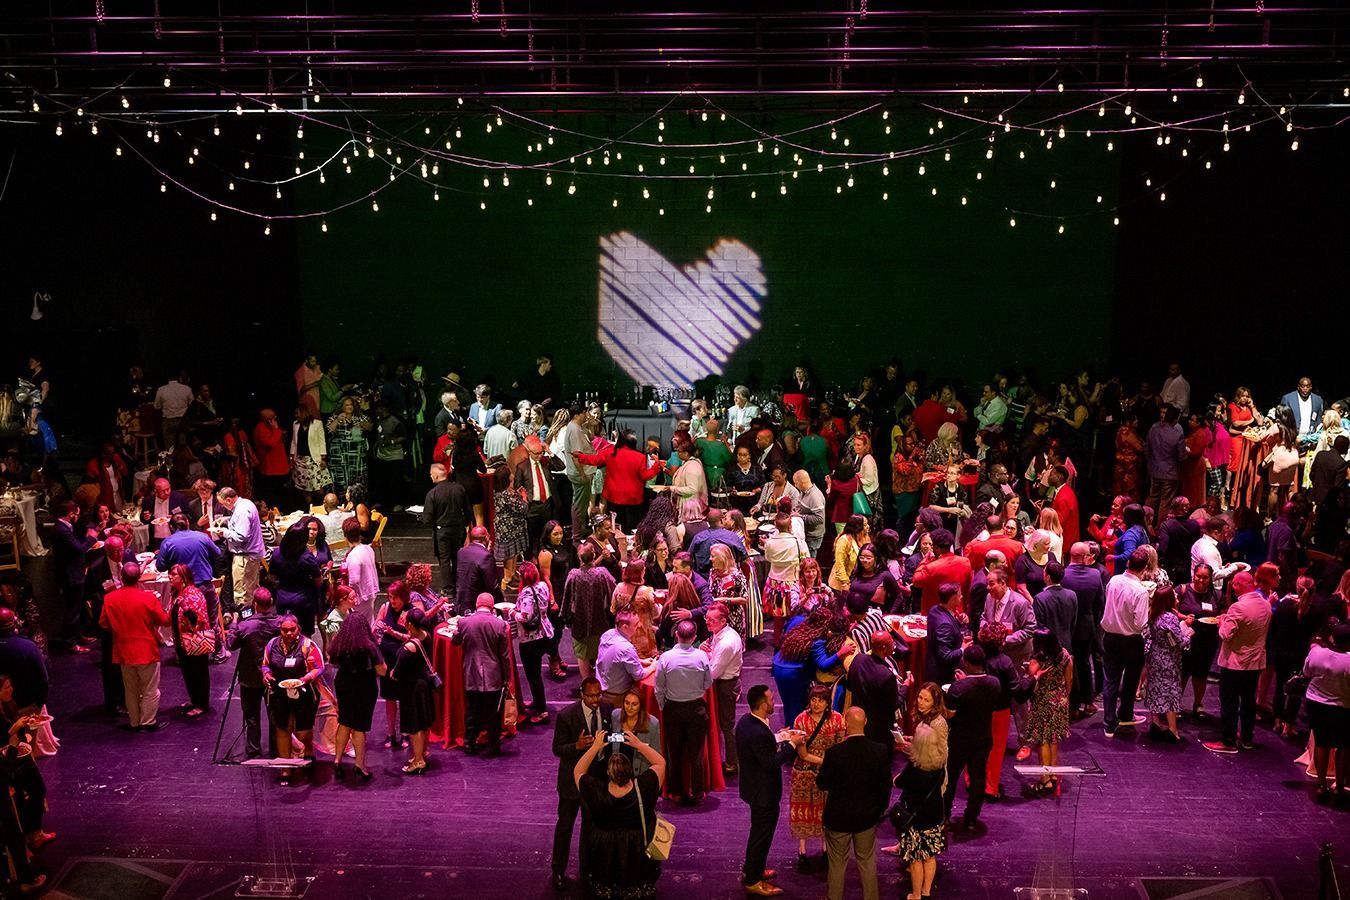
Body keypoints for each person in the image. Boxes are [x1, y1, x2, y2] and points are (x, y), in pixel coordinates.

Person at [572, 712, 666, 899]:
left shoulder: (596, 791)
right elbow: (660, 762)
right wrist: (639, 745)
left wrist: (596, 747)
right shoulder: (644, 787)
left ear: (608, 773)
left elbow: (578, 771)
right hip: (636, 847)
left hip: (605, 850)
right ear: (631, 771)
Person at [735, 684, 808, 896]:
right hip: (763, 794)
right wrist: (791, 745)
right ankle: (753, 880)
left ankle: (753, 870)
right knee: (761, 836)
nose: (773, 700)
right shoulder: (757, 732)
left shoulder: (747, 722)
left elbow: (761, 747)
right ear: (762, 704)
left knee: (758, 834)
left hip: (754, 788)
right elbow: (770, 762)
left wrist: (779, 737)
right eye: (770, 698)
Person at [813, 705, 891, 900]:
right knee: (867, 861)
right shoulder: (879, 751)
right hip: (867, 818)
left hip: (838, 819)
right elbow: (885, 786)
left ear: (845, 725)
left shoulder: (834, 753)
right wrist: (878, 811)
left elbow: (822, 783)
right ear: (865, 722)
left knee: (837, 863)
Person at [551, 677, 614, 891]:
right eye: (591, 696)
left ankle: (586, 869)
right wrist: (576, 746)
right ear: (582, 695)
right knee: (565, 827)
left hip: (595, 782)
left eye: (598, 695)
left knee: (590, 828)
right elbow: (557, 748)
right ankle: (558, 870)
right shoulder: (566, 716)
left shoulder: (607, 710)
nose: (596, 699)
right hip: (571, 783)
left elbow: (611, 738)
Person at [1204, 571, 1272, 754]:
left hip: (1235, 663)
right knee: (1249, 701)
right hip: (1255, 662)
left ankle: (1228, 741)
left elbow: (1225, 634)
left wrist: (1222, 621)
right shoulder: (1265, 604)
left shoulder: (1238, 607)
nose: (1232, 588)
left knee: (1229, 702)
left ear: (1241, 584)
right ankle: (1247, 738)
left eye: (1234, 584)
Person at [99, 562, 170, 733]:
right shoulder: (148, 598)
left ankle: (134, 722)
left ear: (122, 578)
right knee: (150, 689)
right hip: (146, 650)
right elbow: (164, 620)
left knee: (130, 690)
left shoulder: (110, 599)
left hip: (123, 651)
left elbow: (103, 623)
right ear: (139, 578)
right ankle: (148, 722)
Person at [894, 683, 949, 900]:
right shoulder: (934, 767)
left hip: (917, 814)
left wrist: (911, 750)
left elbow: (900, 783)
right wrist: (914, 744)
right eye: (920, 698)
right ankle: (926, 891)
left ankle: (916, 894)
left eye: (926, 700)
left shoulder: (915, 771)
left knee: (916, 858)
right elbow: (932, 748)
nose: (920, 702)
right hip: (933, 811)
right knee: (930, 854)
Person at [787, 683, 846, 872]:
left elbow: (840, 745)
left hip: (828, 773)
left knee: (825, 811)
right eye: (813, 699)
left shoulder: (837, 720)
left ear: (828, 703)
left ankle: (825, 850)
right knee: (804, 809)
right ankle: (802, 851)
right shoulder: (800, 721)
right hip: (805, 772)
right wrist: (826, 762)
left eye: (821, 700)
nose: (816, 704)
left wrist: (833, 765)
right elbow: (803, 754)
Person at [261, 614, 325, 785]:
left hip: (304, 693)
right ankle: (285, 768)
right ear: (280, 630)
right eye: (285, 630)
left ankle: (308, 749)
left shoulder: (307, 645)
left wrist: (304, 679)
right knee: (282, 730)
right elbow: (266, 664)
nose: (288, 633)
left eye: (292, 630)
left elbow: (320, 668)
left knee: (302, 733)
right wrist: (266, 674)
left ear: (298, 629)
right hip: (279, 694)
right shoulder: (272, 644)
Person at [655, 619, 713, 804]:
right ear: (695, 637)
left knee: (675, 753)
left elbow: (659, 687)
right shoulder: (702, 657)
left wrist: (663, 706)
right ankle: (697, 792)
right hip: (696, 709)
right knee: (696, 753)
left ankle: (677, 792)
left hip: (673, 709)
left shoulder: (665, 658)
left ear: (676, 635)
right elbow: (708, 683)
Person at [453, 593, 513, 757]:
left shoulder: (464, 622)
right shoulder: (499, 624)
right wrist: (507, 678)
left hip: (471, 673)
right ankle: (493, 747)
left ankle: (469, 744)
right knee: (493, 714)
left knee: (472, 710)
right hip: (493, 675)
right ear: (492, 607)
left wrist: (458, 632)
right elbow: (505, 656)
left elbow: (455, 642)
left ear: (477, 605)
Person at [329, 610, 385, 781]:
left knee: (344, 721)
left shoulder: (339, 643)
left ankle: (337, 761)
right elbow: (382, 670)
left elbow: (333, 661)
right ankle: (360, 766)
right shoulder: (369, 645)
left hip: (344, 683)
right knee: (359, 726)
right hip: (364, 685)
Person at [1101, 548, 1151, 738]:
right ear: (1145, 568)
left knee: (1111, 680)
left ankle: (1108, 723)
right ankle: (1125, 715)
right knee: (1130, 681)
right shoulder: (1141, 591)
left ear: (1128, 563)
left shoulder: (1113, 581)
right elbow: (1140, 623)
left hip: (1110, 637)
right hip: (1131, 640)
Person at [226, 587, 280, 757]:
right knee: (275, 716)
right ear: (271, 603)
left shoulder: (245, 625)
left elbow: (231, 644)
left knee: (251, 717)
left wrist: (234, 621)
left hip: (250, 678)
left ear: (255, 604)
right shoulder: (280, 623)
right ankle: (276, 750)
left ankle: (254, 751)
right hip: (273, 676)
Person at [1302, 621, 1350, 801]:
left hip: (1317, 702)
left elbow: (1306, 672)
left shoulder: (1317, 653)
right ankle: (1339, 785)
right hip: (1343, 706)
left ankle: (1321, 784)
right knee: (1344, 745)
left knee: (1322, 742)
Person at [1023, 629, 1073, 793]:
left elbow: (1032, 678)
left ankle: (1045, 779)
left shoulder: (1038, 659)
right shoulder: (1064, 655)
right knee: (1053, 739)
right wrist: (1065, 696)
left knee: (1042, 740)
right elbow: (1069, 679)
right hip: (1059, 701)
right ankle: (1052, 774)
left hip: (1043, 701)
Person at [391, 608, 437, 773]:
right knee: (424, 723)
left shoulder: (408, 648)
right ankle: (422, 753)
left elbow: (396, 673)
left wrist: (392, 673)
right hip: (424, 685)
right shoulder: (426, 636)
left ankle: (418, 761)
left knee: (414, 725)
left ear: (410, 624)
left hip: (412, 690)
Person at [563, 543, 618, 680]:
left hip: (579, 622)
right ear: (594, 555)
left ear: (579, 557)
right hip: (600, 621)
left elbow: (566, 598)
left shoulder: (573, 575)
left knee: (582, 654)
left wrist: (565, 617)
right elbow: (614, 591)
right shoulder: (602, 573)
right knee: (601, 652)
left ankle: (586, 684)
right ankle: (601, 683)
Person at [701, 602, 744, 776]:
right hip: (723, 681)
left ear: (723, 620)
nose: (707, 622)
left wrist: (703, 655)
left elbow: (713, 673)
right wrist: (708, 651)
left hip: (725, 686)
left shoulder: (727, 642)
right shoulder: (720, 634)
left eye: (711, 620)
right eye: (707, 618)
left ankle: (732, 763)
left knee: (727, 725)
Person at [51, 499, 99, 651]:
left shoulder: (65, 527)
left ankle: (78, 635)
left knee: (78, 607)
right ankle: (70, 642)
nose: (77, 517)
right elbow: (79, 548)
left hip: (75, 572)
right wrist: (92, 537)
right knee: (72, 609)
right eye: (76, 514)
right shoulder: (61, 530)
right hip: (70, 575)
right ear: (70, 514)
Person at [168, 563, 214, 717]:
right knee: (188, 672)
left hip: (194, 640)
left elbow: (198, 621)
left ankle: (202, 704)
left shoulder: (193, 594)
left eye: (174, 575)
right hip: (181, 641)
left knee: (198, 672)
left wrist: (186, 608)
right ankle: (194, 699)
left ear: (184, 578)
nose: (170, 577)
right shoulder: (176, 593)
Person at [512, 562, 555, 726]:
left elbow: (525, 617)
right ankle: (538, 702)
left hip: (531, 640)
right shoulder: (543, 586)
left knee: (533, 676)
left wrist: (513, 612)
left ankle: (542, 711)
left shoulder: (526, 594)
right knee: (535, 675)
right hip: (545, 633)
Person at [1144, 586, 1189, 743]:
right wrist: (1188, 635)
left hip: (1155, 658)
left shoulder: (1153, 615)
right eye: (1175, 595)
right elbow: (1178, 642)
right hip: (1168, 660)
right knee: (1170, 692)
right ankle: (1173, 730)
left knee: (1155, 689)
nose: (1177, 597)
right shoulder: (1170, 618)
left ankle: (1155, 725)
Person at [847, 631, 903, 752]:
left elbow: (850, 686)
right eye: (891, 642)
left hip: (858, 723)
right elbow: (893, 705)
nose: (894, 644)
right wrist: (906, 687)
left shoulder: (858, 659)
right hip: (879, 730)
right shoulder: (886, 676)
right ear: (884, 647)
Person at [420, 463, 471, 594]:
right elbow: (467, 511)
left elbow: (427, 519)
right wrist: (464, 525)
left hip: (442, 531)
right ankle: (459, 585)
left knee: (444, 560)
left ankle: (448, 589)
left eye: (431, 475)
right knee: (457, 558)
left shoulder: (433, 493)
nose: (431, 477)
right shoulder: (459, 489)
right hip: (458, 529)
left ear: (436, 475)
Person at [216, 487, 264, 613]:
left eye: (222, 504)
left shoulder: (242, 511)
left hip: (245, 556)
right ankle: (252, 618)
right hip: (250, 555)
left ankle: (245, 621)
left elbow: (241, 537)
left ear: (228, 500)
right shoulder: (245, 503)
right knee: (251, 590)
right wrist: (228, 520)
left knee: (242, 594)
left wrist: (224, 532)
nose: (223, 507)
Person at [597, 610, 657, 710]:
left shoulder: (607, 634)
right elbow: (639, 675)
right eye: (636, 624)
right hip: (617, 697)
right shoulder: (626, 648)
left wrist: (640, 661)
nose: (639, 625)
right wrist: (653, 666)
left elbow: (615, 658)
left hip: (603, 690)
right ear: (625, 627)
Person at [611, 688, 662, 776]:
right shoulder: (615, 716)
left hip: (640, 775)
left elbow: (656, 756)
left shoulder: (653, 724)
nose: (629, 708)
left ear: (641, 705)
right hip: (618, 774)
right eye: (627, 703)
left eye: (634, 704)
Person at [925, 583, 966, 685]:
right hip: (943, 674)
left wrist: (959, 622)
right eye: (960, 595)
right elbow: (946, 656)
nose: (962, 597)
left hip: (932, 664)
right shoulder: (945, 624)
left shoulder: (934, 609)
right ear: (952, 599)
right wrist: (962, 649)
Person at [455, 526, 499, 615]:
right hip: (477, 602)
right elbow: (491, 584)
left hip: (462, 599)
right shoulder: (486, 556)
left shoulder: (461, 552)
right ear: (486, 537)